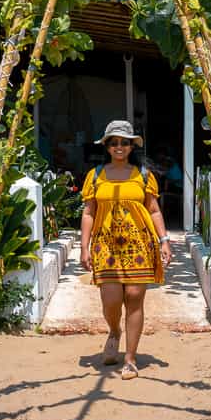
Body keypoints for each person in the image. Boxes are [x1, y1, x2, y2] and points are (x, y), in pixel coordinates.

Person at [80, 119, 172, 379]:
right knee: (111, 300)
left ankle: (130, 359)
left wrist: (164, 240)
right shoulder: (95, 175)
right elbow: (89, 213)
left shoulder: (143, 175)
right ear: (107, 146)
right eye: (114, 143)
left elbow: (153, 210)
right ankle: (114, 331)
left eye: (124, 143)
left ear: (132, 146)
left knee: (134, 298)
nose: (119, 147)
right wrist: (84, 247)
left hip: (139, 245)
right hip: (105, 246)